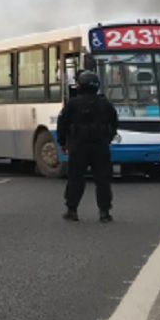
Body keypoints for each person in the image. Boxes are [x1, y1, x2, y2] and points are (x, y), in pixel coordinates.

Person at [57, 71, 120, 223]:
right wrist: (108, 138)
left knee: (76, 178)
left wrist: (63, 142)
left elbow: (62, 123)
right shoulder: (104, 103)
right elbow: (114, 122)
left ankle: (72, 210)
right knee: (102, 179)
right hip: (100, 146)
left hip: (78, 146)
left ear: (80, 86)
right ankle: (104, 212)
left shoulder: (73, 103)